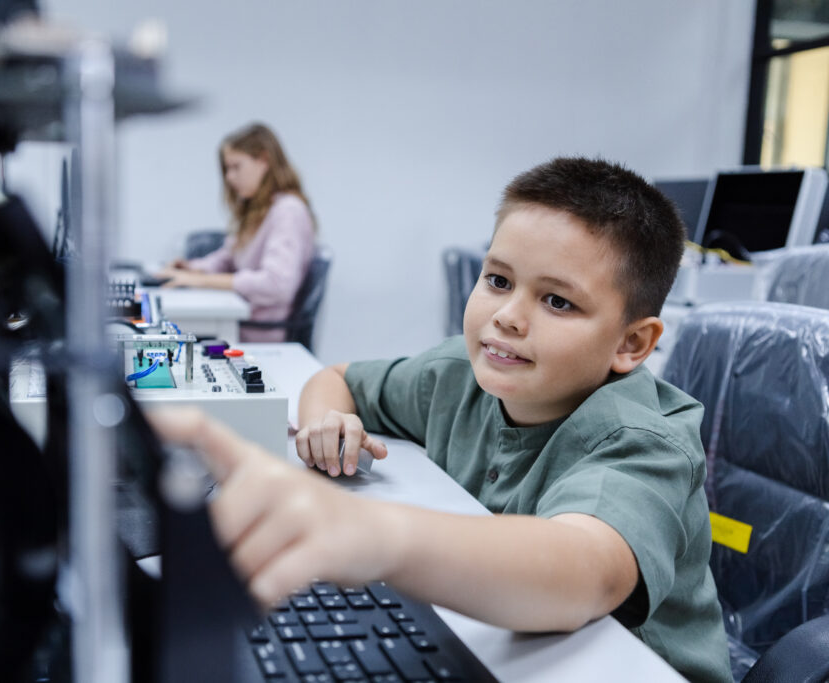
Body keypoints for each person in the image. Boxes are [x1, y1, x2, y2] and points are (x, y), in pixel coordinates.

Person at [151, 157, 732, 683]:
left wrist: (374, 535)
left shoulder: (643, 440)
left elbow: (586, 572)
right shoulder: (460, 371)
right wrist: (326, 422)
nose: (506, 316)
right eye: (498, 280)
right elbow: (339, 378)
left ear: (632, 343)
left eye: (557, 301)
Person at [155, 122, 316, 342]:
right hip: (237, 324)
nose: (229, 177)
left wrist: (201, 281)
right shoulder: (258, 210)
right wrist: (193, 269)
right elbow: (227, 258)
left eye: (236, 167)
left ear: (264, 160)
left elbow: (277, 285)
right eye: (227, 169)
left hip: (257, 333)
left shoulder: (288, 211)